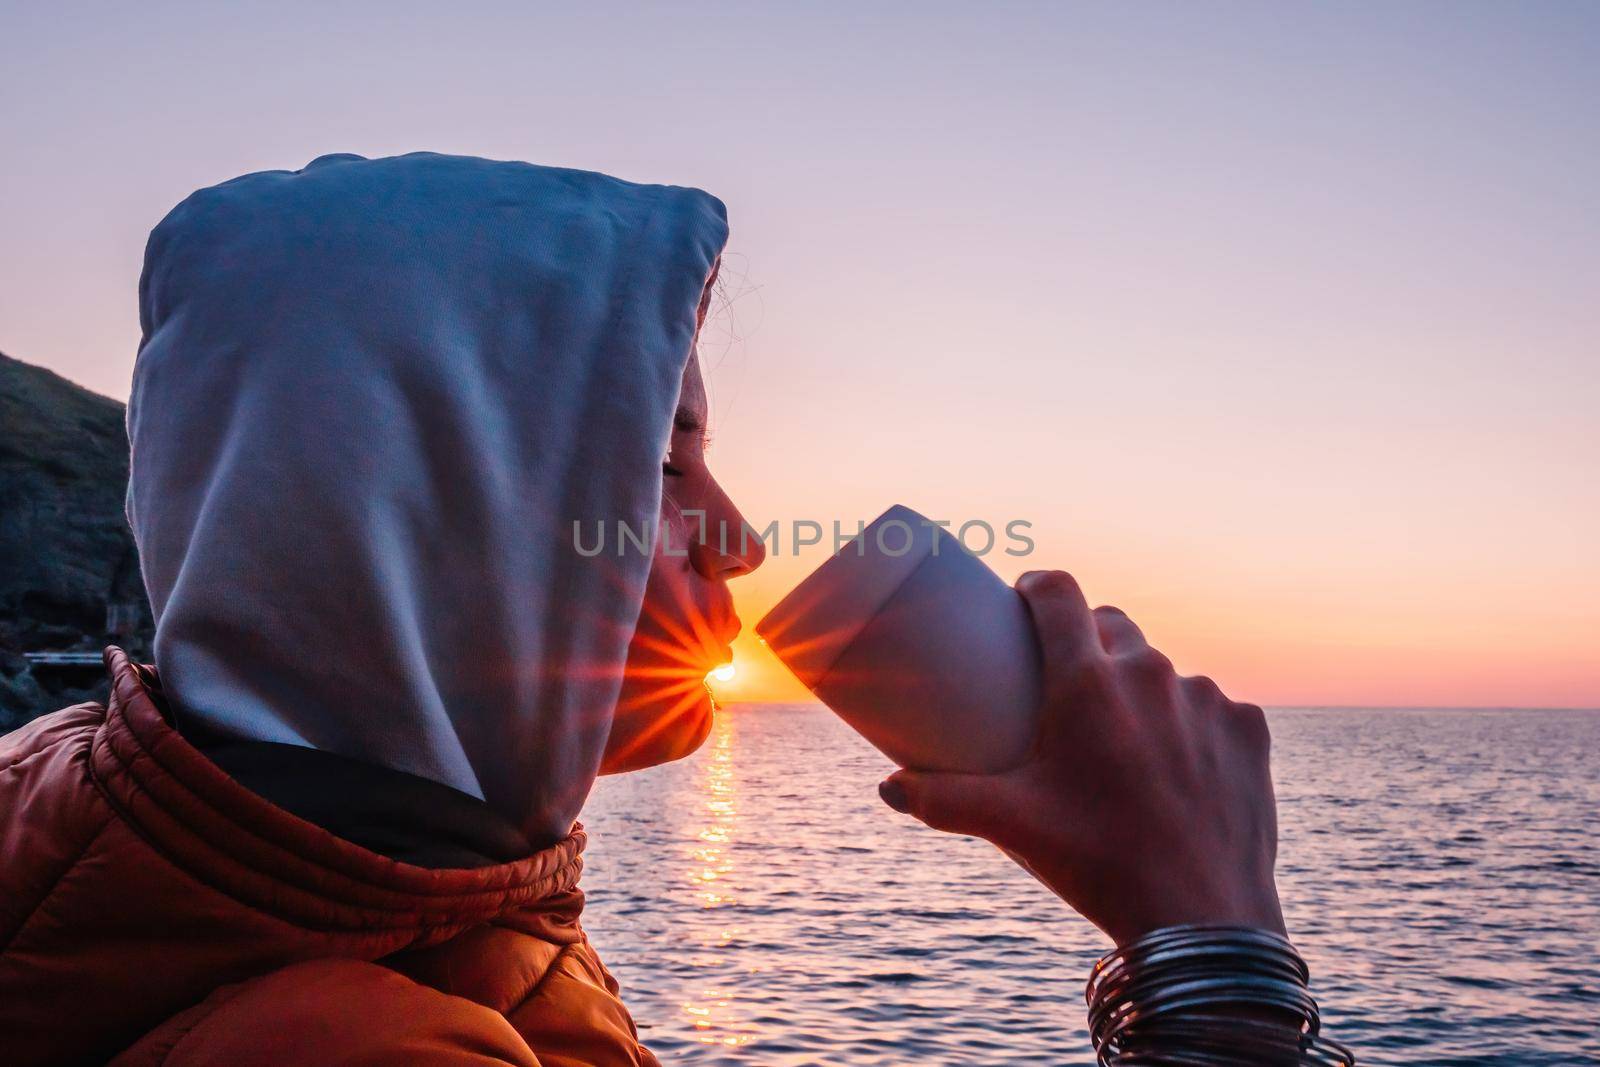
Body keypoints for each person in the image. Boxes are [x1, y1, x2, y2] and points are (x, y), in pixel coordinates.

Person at [0, 153, 1347, 1065]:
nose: (745, 541)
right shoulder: (344, 1039)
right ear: (430, 509)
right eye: (659, 463)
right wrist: (1208, 938)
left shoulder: (95, 796)